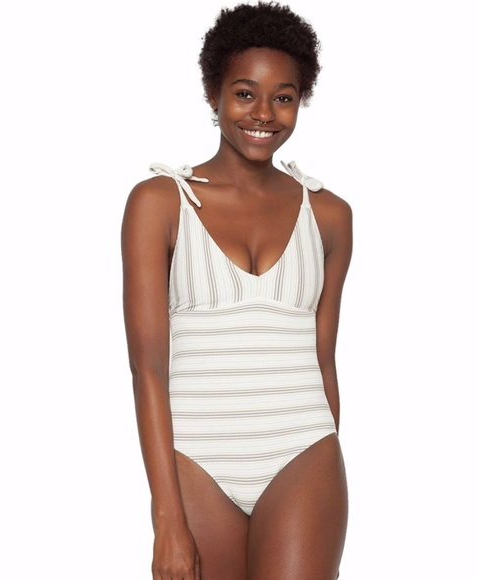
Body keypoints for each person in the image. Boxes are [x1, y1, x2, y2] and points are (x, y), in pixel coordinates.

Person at [121, 2, 352, 578]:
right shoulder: (159, 203)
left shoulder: (329, 215)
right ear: (213, 93)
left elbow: (323, 358)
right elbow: (148, 368)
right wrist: (166, 518)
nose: (264, 114)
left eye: (284, 97)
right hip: (197, 462)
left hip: (303, 452)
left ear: (301, 100)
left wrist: (325, 454)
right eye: (245, 93)